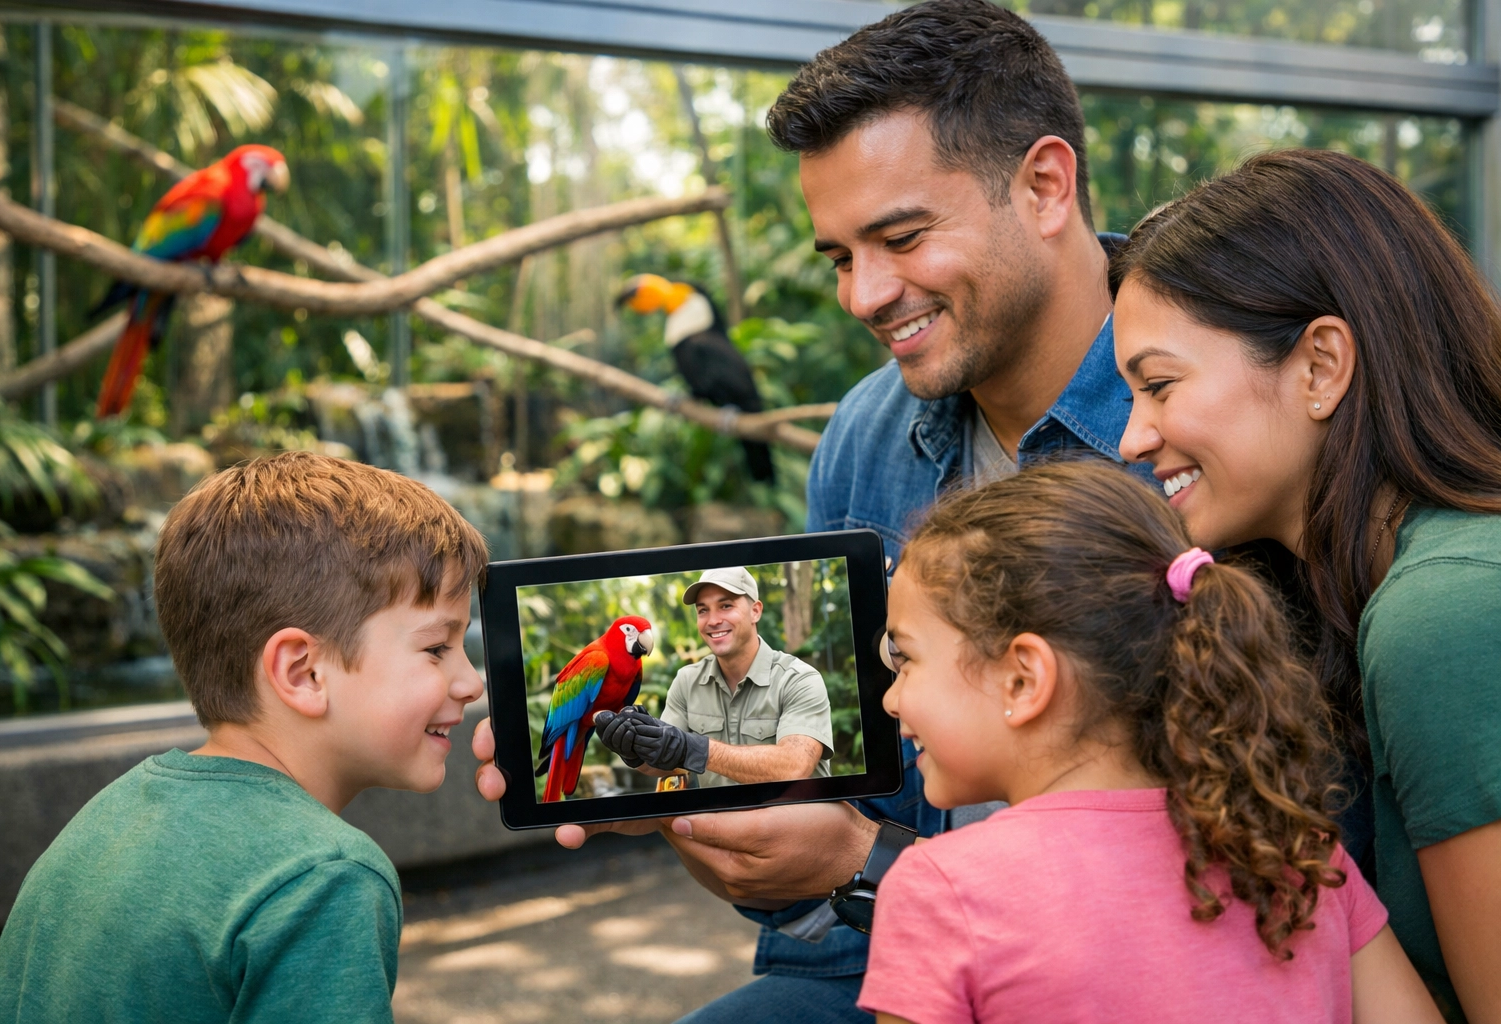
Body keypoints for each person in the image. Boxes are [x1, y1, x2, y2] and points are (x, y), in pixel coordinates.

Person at [470, 3, 1195, 1018]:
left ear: (1044, 186)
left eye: (900, 238)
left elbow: (1271, 871)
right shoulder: (863, 438)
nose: (862, 295)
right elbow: (856, 816)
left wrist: (866, 859)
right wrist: (710, 813)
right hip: (888, 965)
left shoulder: (1209, 416)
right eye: (840, 257)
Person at [1112, 148, 1501, 1022]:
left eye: (1159, 385)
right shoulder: (1358, 593)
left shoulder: (1443, 617)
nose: (1133, 438)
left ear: (1321, 366)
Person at [862, 460, 1439, 1024]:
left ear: (1024, 678)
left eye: (905, 659)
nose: (891, 699)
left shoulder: (938, 892)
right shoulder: (1300, 857)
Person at [0, 452, 487, 1024]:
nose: (472, 682)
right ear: (303, 673)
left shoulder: (109, 821)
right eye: (437, 648)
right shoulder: (322, 879)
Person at [594, 567, 834, 786]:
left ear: (755, 611)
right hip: (721, 818)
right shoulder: (687, 681)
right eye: (703, 610)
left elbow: (793, 767)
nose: (713, 620)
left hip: (796, 815)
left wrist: (695, 748)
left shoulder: (799, 679)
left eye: (726, 606)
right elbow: (665, 764)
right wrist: (634, 749)